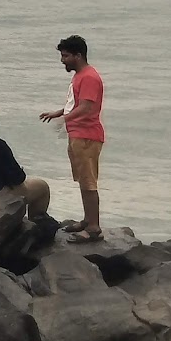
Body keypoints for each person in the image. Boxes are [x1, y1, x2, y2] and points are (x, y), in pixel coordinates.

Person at [40, 34, 106, 242]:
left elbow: (86, 107)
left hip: (87, 135)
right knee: (83, 180)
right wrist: (59, 113)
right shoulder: (79, 75)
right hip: (77, 134)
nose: (62, 60)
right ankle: (87, 220)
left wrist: (65, 118)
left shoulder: (89, 77)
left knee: (89, 182)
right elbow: (76, 103)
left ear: (78, 55)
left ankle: (94, 228)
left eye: (65, 56)